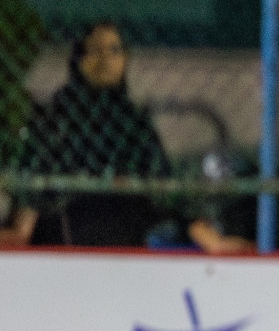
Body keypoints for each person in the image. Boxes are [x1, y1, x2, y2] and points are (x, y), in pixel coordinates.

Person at [16, 23, 250, 252]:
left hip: (123, 230)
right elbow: (34, 191)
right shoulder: (56, 116)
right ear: (80, 59)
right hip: (67, 230)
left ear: (125, 58)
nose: (105, 60)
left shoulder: (132, 120)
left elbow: (161, 184)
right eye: (96, 50)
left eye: (114, 51)